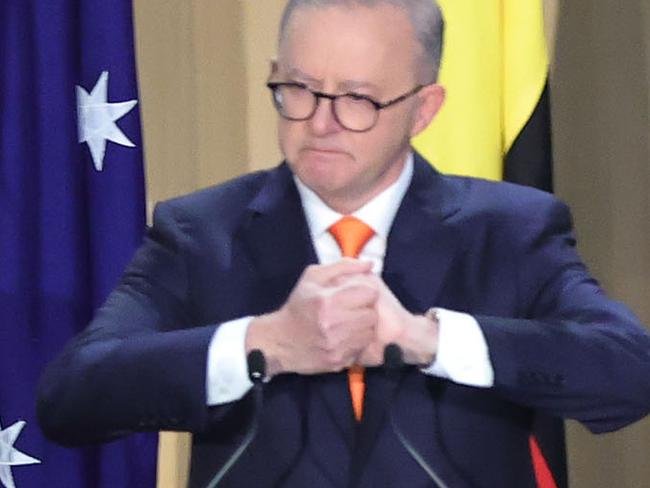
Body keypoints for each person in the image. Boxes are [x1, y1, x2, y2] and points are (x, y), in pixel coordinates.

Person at [37, 0, 650, 487]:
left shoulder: (511, 230)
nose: (321, 122)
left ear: (424, 109)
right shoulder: (201, 232)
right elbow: (73, 397)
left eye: (358, 98)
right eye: (298, 89)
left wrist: (427, 340)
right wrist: (264, 343)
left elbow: (628, 374)